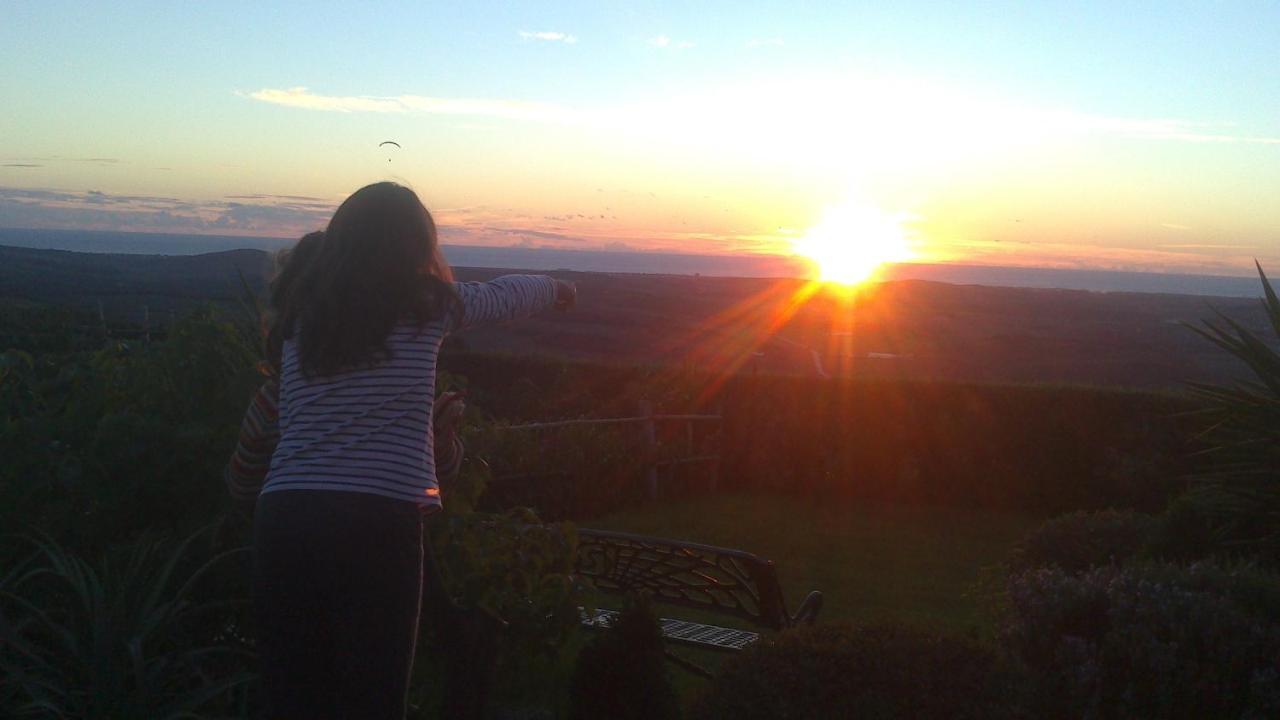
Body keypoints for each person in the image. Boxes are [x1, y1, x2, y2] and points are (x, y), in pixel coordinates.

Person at [251, 182, 575, 719]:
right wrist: (558, 288)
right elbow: (505, 294)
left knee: (293, 699)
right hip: (375, 522)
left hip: (283, 517)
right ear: (416, 247)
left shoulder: (300, 318)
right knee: (371, 700)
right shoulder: (426, 309)